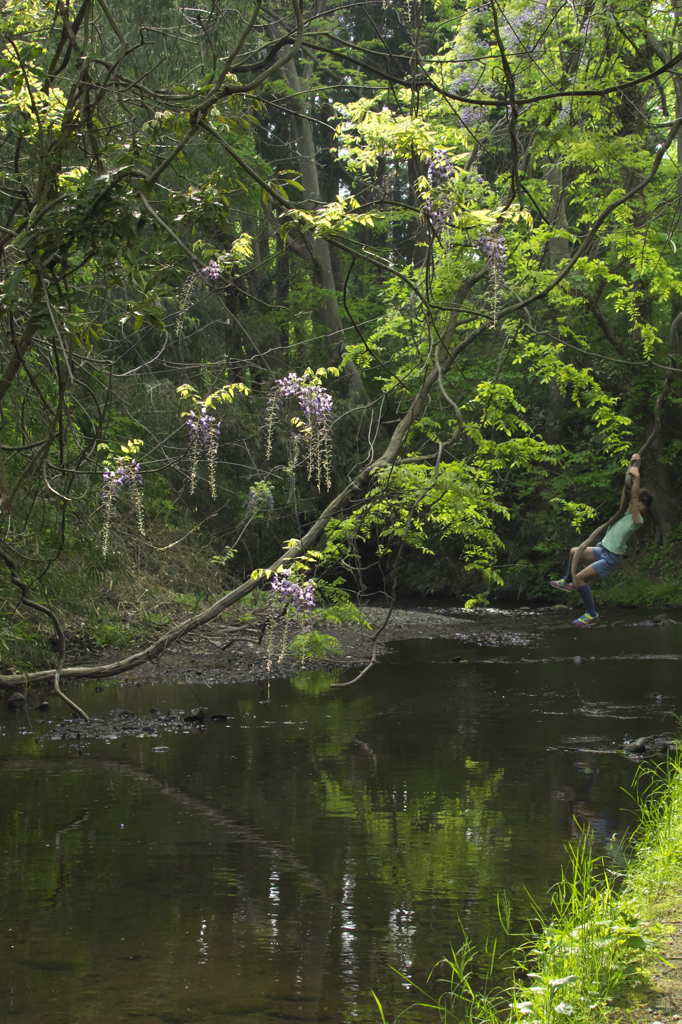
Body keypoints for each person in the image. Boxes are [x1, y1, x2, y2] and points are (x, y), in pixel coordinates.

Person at [550, 454, 653, 626]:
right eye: (637, 502)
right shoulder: (626, 511)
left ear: (644, 509)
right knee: (574, 552)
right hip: (603, 549)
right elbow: (626, 493)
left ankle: (592, 614)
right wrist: (630, 466)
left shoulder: (637, 519)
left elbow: (634, 497)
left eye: (641, 504)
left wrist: (638, 477)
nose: (637, 504)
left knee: (580, 579)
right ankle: (567, 582)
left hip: (611, 558)